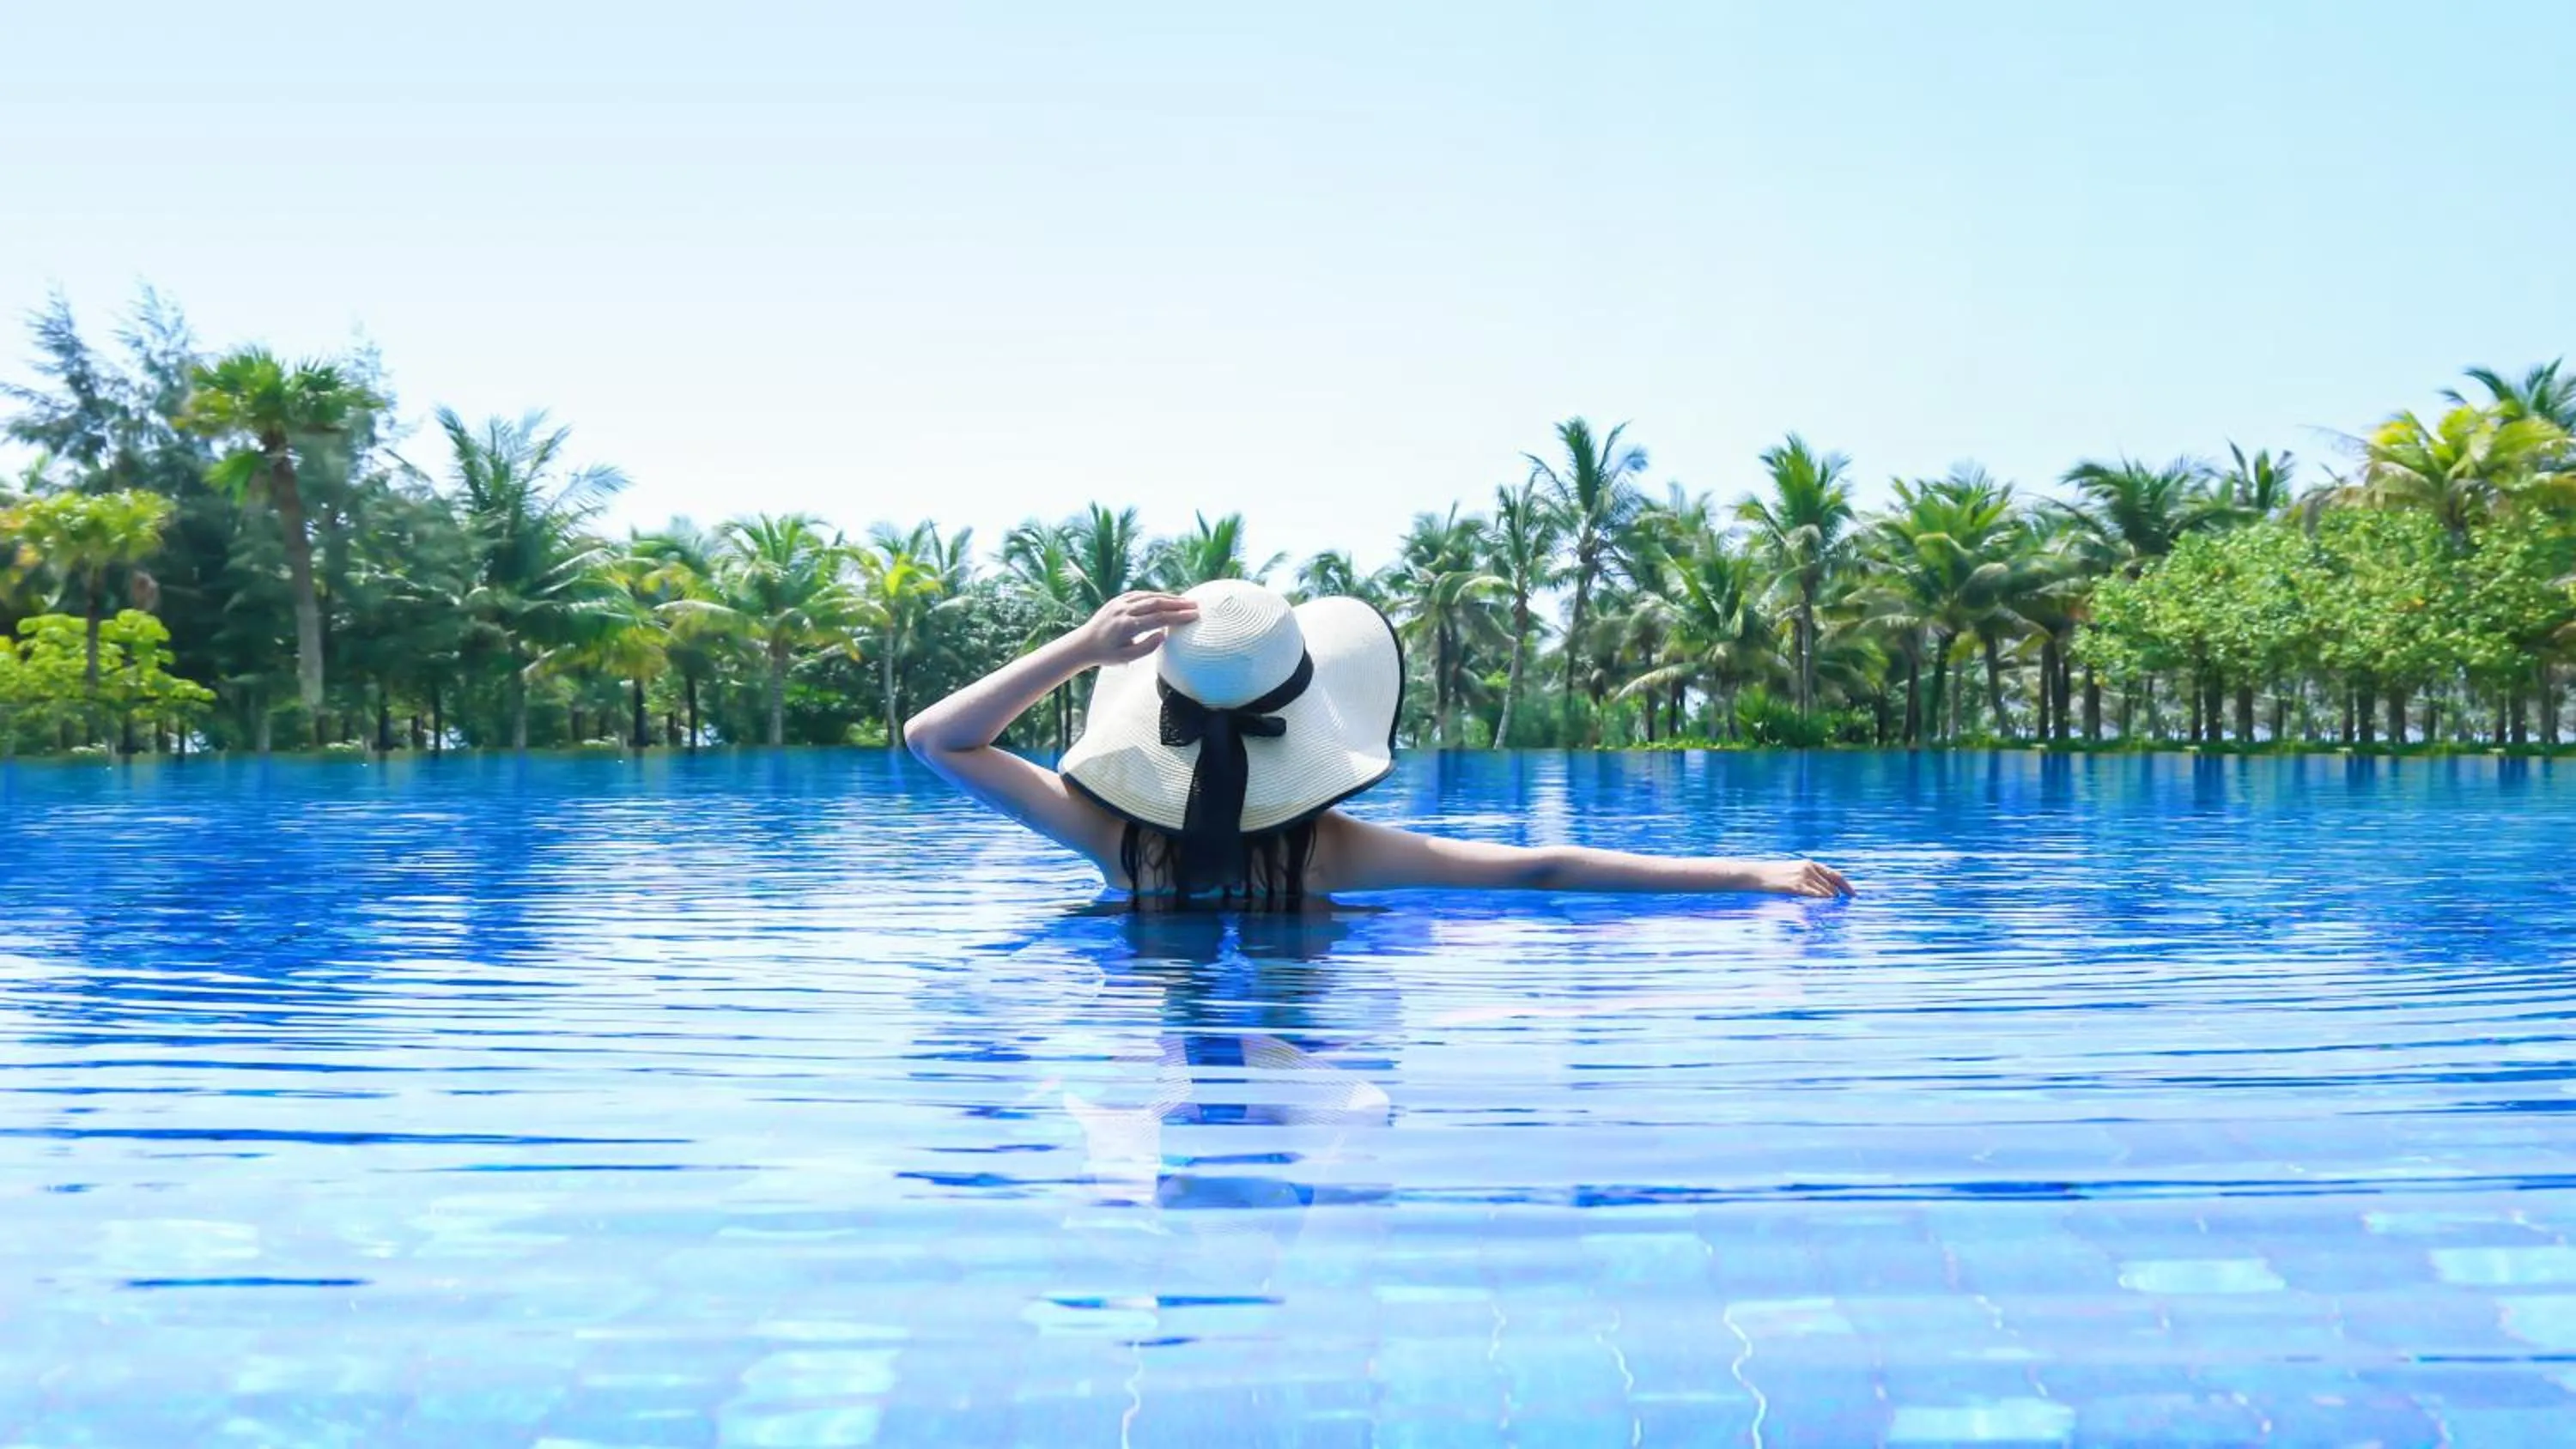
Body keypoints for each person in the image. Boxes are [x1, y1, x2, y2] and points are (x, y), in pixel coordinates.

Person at [905, 579, 1855, 906]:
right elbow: (1542, 869)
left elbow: (936, 738)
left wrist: (1079, 644)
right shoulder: (1332, 852)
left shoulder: (1112, 838)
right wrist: (1748, 875)